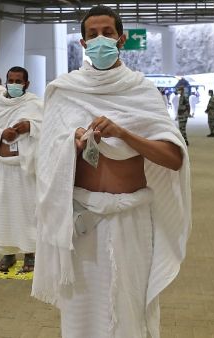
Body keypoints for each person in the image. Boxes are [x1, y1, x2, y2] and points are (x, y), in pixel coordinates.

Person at [32, 6, 191, 338]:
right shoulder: (64, 90)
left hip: (131, 220)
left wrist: (124, 134)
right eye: (93, 34)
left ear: (122, 39)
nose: (100, 39)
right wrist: (70, 145)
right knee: (82, 313)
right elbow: (45, 160)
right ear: (82, 42)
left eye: (107, 33)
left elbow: (174, 158)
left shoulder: (141, 90)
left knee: (127, 308)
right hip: (82, 221)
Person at [0, 66, 42, 273]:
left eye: (18, 81)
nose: (14, 85)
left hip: (25, 170)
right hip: (3, 169)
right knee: (3, 212)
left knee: (27, 212)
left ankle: (30, 254)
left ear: (27, 84)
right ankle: (8, 254)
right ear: (6, 81)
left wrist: (30, 127)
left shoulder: (35, 104)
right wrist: (1, 133)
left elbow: (48, 128)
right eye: (11, 81)